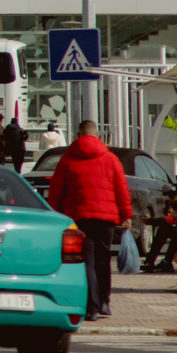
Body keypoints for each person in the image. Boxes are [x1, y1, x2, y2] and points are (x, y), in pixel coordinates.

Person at [46, 120, 132, 321]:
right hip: (106, 219)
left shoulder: (67, 160)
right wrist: (126, 214)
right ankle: (104, 302)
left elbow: (56, 190)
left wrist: (54, 213)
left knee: (87, 262)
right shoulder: (111, 159)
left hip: (78, 218)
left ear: (78, 135)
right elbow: (122, 189)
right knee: (103, 261)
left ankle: (91, 306)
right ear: (97, 136)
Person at [144, 190, 177, 271]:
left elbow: (172, 219)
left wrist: (149, 221)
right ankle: (161, 261)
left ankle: (156, 261)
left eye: (171, 198)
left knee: (166, 229)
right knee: (166, 229)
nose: (170, 200)